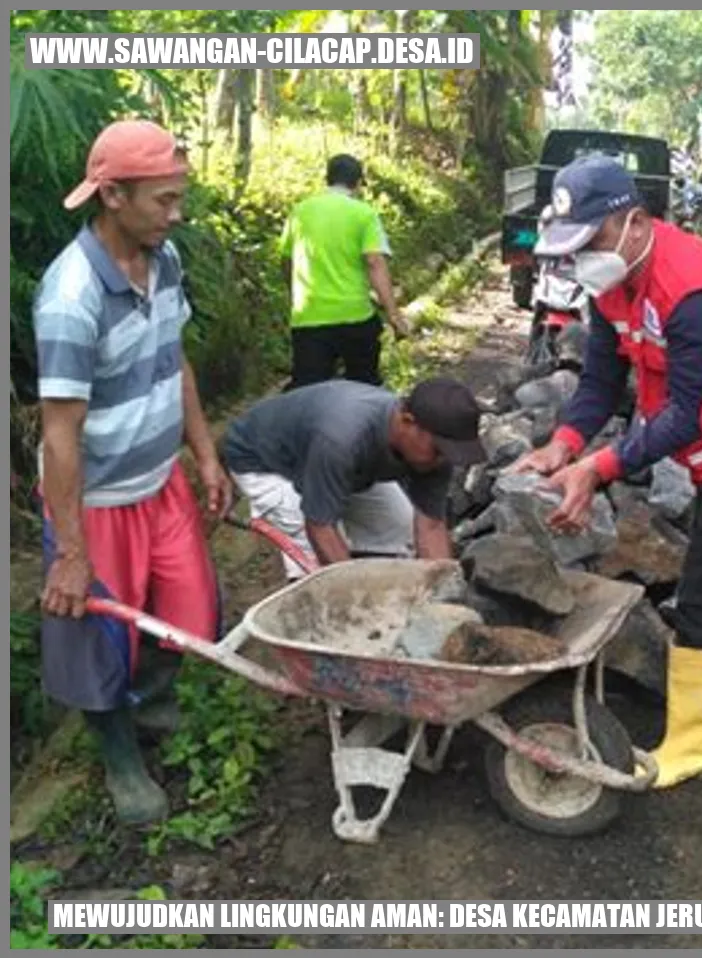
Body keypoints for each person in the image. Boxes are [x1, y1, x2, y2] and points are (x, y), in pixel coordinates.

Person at [510, 155, 702, 789]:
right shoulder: (615, 281)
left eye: (589, 240)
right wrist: (564, 443)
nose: (581, 257)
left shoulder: (695, 291)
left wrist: (599, 468)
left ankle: (692, 743)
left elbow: (688, 414)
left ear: (634, 222)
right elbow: (601, 378)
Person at [35, 119, 232, 825]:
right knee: (99, 639)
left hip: (161, 479)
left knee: (189, 611)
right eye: (163, 201)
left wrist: (204, 454)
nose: (176, 215)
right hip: (97, 498)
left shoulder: (165, 259)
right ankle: (120, 755)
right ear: (113, 195)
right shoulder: (70, 297)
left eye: (178, 199)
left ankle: (151, 697)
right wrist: (71, 553)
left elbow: (174, 360)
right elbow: (60, 436)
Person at [219, 377, 487, 578]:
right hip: (266, 461)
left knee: (398, 530)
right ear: (407, 421)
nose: (443, 460)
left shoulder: (434, 450)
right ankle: (317, 644)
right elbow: (320, 526)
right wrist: (355, 594)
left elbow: (430, 526)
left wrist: (442, 598)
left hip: (339, 465)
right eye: (439, 450)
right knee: (312, 567)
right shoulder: (342, 438)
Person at [278, 154, 409, 390]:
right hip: (355, 316)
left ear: (327, 179)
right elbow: (374, 262)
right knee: (363, 388)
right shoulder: (364, 214)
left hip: (309, 317)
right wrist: (393, 315)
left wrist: (294, 295)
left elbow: (286, 261)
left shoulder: (299, 212)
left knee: (308, 393)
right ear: (358, 183)